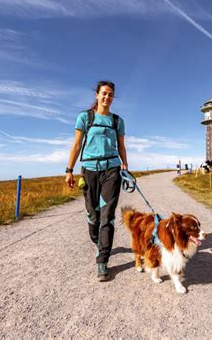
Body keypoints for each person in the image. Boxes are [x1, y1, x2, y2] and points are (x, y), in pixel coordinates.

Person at [65, 80, 128, 281]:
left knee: (107, 215)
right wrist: (69, 170)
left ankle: (102, 260)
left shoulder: (118, 121)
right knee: (93, 215)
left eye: (110, 94)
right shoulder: (85, 117)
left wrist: (125, 164)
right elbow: (76, 145)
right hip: (90, 170)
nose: (107, 97)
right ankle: (97, 238)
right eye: (104, 93)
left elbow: (121, 146)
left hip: (112, 169)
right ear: (97, 95)